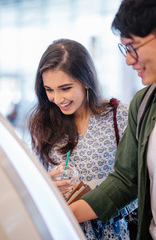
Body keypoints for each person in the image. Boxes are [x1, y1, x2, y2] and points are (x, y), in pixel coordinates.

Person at [28, 38, 137, 239]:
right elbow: (33, 193)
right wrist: (46, 186)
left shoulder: (118, 115)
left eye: (65, 88)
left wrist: (95, 208)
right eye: (49, 90)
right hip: (63, 232)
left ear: (86, 80)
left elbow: (136, 186)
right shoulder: (43, 124)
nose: (58, 99)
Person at [69, 0, 156, 239]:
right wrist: (63, 213)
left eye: (132, 46)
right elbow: (125, 181)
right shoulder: (144, 104)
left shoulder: (118, 113)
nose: (128, 60)